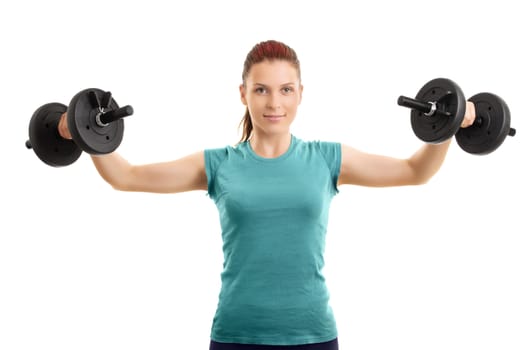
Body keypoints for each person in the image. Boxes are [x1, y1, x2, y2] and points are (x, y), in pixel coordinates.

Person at [57, 40, 476, 350]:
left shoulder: (328, 159)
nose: (274, 102)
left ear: (300, 93)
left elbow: (414, 170)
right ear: (243, 93)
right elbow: (126, 176)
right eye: (261, 90)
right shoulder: (218, 164)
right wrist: (84, 132)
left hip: (313, 336)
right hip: (236, 336)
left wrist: (449, 123)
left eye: (285, 89)